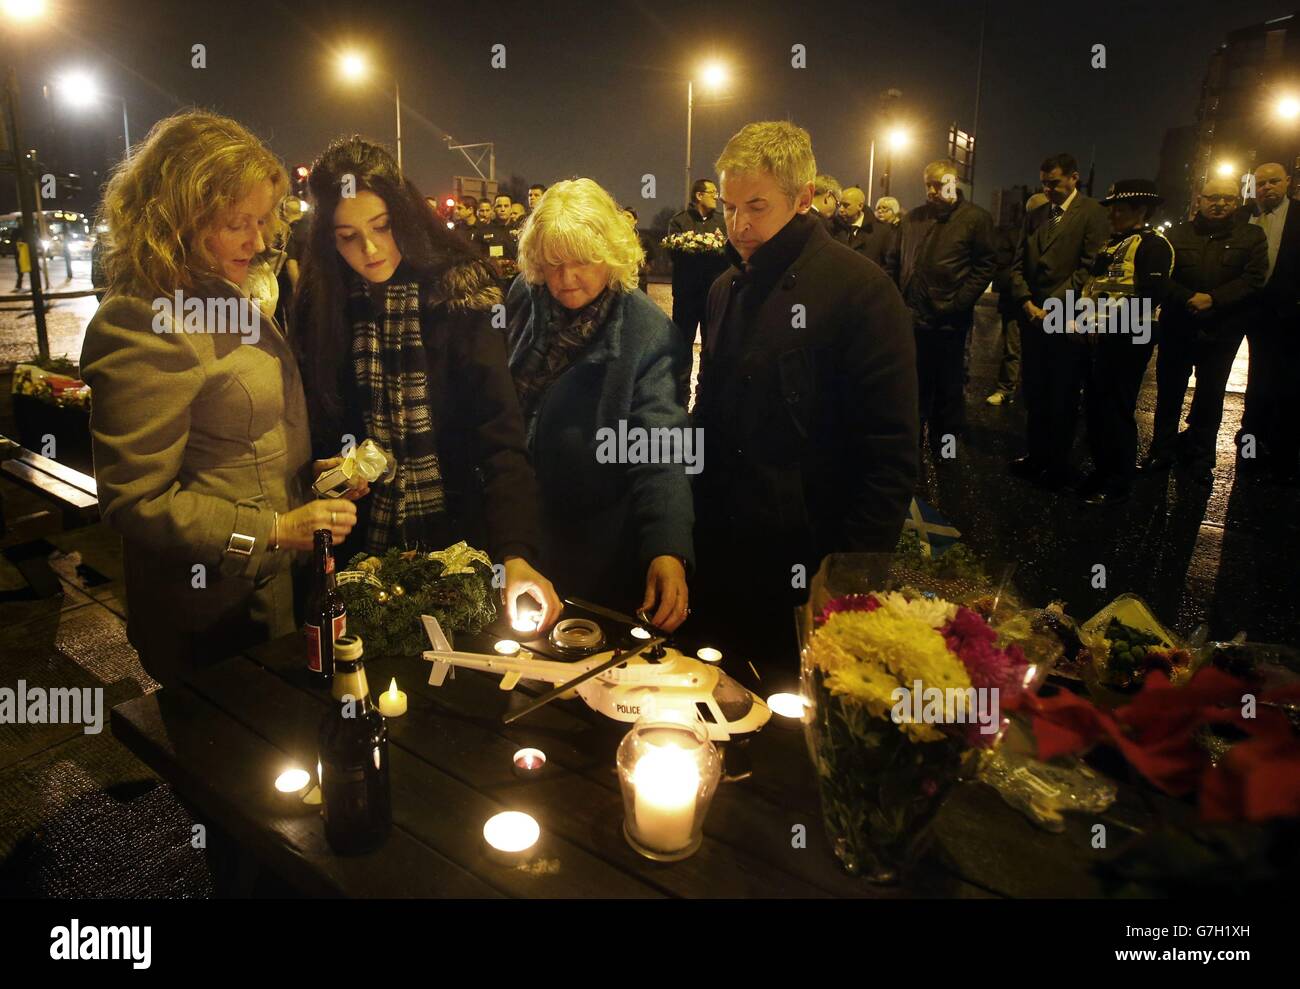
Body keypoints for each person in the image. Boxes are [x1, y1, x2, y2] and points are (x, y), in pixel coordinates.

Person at [79, 110, 360, 686]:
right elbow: (136, 502)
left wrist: (312, 481)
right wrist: (276, 531)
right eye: (239, 223)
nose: (259, 242)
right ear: (180, 217)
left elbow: (239, 444)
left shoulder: (221, 294)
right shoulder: (141, 321)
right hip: (214, 615)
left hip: (275, 593)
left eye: (263, 222)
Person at [292, 136, 561, 633]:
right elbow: (316, 428)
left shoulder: (459, 296)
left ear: (405, 215)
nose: (369, 249)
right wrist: (327, 471)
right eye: (348, 235)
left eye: (382, 226)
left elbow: (500, 439)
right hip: (359, 552)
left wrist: (516, 553)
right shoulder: (322, 305)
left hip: (458, 544)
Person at [692, 120, 917, 673]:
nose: (738, 225)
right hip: (721, 549)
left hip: (807, 557)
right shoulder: (725, 288)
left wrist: (849, 573)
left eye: (757, 206)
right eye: (727, 206)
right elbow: (708, 415)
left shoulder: (861, 291)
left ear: (803, 198)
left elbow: (889, 450)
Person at [504, 178, 693, 625]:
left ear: (611, 255)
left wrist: (667, 549)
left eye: (583, 262)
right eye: (552, 264)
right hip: (514, 521)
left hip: (589, 541)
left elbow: (662, 451)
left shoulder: (647, 335)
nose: (566, 279)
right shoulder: (522, 296)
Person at [1144, 176, 1267, 484]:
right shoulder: (1176, 234)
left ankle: (1201, 456)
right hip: (1178, 325)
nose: (1220, 203)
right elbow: (1160, 277)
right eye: (1213, 197)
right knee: (1169, 392)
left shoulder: (1251, 236)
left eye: (1227, 198)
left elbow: (1253, 279)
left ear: (1236, 201)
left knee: (1211, 395)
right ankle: (1161, 450)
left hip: (1222, 329)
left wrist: (1213, 299)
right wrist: (1188, 298)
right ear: (1199, 199)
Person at [1007, 152, 1110, 489]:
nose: (1048, 189)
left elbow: (1088, 267)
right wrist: (1025, 301)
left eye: (1054, 183)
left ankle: (1058, 462)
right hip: (1033, 317)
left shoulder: (1093, 213)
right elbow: (1018, 262)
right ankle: (1036, 455)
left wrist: (1051, 305)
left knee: (1063, 392)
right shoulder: (1036, 215)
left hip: (1065, 318)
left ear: (1073, 178)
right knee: (1035, 391)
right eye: (1044, 183)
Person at [885, 160, 996, 458]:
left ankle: (945, 450)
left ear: (954, 181)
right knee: (915, 386)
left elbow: (985, 265)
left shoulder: (975, 219)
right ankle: (913, 447)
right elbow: (894, 261)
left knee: (948, 389)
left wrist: (958, 302)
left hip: (949, 322)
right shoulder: (913, 219)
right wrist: (898, 300)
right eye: (928, 185)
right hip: (913, 318)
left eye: (939, 183)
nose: (933, 191)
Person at [1074, 180, 1173, 505]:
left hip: (1128, 340)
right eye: (1112, 207)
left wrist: (1106, 324)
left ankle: (1117, 481)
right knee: (1098, 407)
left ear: (1140, 210)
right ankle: (1102, 470)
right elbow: (1097, 287)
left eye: (1121, 208)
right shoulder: (1113, 244)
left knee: (1117, 409)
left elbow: (1150, 296)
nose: (1113, 214)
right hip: (1101, 340)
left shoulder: (1153, 245)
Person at [1238, 162, 1300, 482]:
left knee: (1289, 388)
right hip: (1247, 312)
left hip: (1289, 318)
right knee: (1256, 388)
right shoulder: (1243, 216)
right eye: (1260, 183)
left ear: (1288, 182)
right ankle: (1249, 450)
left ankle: (1284, 457)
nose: (1267, 188)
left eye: (1274, 181)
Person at [667, 178, 729, 353]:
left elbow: (730, 254)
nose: (716, 197)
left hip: (713, 294)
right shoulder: (679, 221)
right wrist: (710, 252)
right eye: (713, 193)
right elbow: (675, 255)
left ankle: (708, 380)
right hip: (686, 295)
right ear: (699, 195)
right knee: (682, 344)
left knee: (712, 345)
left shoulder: (722, 222)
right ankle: (681, 381)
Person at [831, 185, 893, 266]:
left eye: (846, 205)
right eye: (840, 205)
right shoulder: (833, 227)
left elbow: (889, 265)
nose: (841, 210)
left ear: (860, 206)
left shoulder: (881, 232)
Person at [623, 206, 652, 292]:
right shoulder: (616, 238)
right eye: (622, 217)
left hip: (639, 280)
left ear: (635, 220)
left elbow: (650, 259)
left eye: (628, 216)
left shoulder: (644, 239)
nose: (625, 219)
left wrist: (642, 270)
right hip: (622, 279)